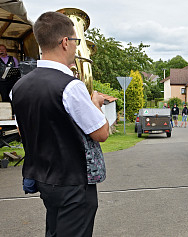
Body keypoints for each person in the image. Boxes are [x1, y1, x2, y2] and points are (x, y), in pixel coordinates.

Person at [11, 12, 109, 236]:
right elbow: (101, 133)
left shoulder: (19, 86)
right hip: (73, 183)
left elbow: (21, 129)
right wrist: (95, 103)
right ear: (65, 42)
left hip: (44, 179)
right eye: (76, 41)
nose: (76, 47)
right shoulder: (71, 87)